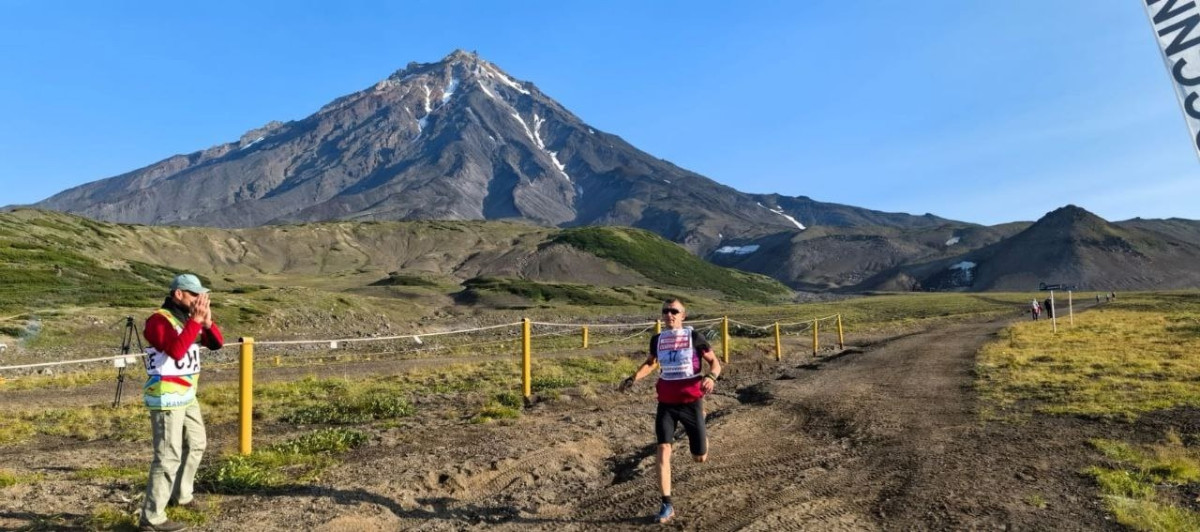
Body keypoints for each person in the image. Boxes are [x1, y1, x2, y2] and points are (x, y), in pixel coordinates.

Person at [619, 298, 722, 524]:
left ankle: (701, 426)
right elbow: (651, 363)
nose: (669, 314)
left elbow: (715, 362)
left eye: (674, 311)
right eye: (665, 311)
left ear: (683, 315)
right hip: (666, 403)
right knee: (663, 448)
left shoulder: (694, 337)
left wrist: (711, 377)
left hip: (691, 402)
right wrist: (633, 378)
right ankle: (666, 504)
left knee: (699, 457)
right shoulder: (657, 339)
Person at [139, 274, 223, 532]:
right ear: (178, 294)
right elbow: (176, 351)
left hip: (186, 395)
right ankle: (151, 518)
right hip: (166, 396)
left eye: (201, 295)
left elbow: (216, 344)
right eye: (194, 294)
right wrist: (196, 322)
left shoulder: (187, 319)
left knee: (197, 443)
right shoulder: (157, 321)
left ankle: (181, 495)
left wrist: (207, 324)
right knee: (167, 456)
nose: (199, 299)